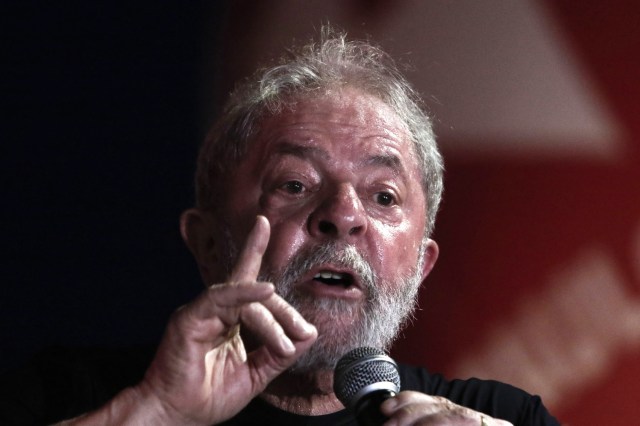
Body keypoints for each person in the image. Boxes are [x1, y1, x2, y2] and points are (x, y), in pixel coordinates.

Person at [1, 28, 559, 425]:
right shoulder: (68, 392)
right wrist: (156, 412)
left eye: (383, 195)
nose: (342, 214)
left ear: (421, 264)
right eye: (294, 185)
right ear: (209, 241)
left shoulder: (502, 417)